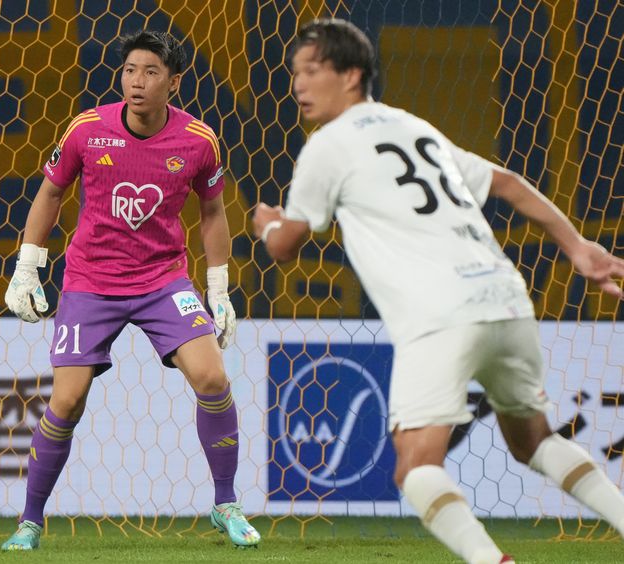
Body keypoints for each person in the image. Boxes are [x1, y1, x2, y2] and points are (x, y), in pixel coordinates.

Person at [252, 18, 624, 564]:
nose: (298, 85)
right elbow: (507, 182)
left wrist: (267, 225)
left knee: (416, 466)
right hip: (507, 300)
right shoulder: (413, 127)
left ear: (351, 74)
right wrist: (576, 247)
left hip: (440, 314)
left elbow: (287, 246)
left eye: (311, 70)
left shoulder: (327, 146)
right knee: (535, 440)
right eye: (294, 73)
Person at [1, 30, 259, 551]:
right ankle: (29, 522)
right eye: (130, 71)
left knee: (212, 377)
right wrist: (27, 267)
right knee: (66, 400)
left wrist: (218, 289)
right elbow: (51, 192)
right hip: (91, 281)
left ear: (174, 83)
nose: (137, 82)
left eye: (151, 72)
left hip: (164, 281)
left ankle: (226, 503)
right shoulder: (87, 129)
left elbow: (212, 212)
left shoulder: (199, 141)